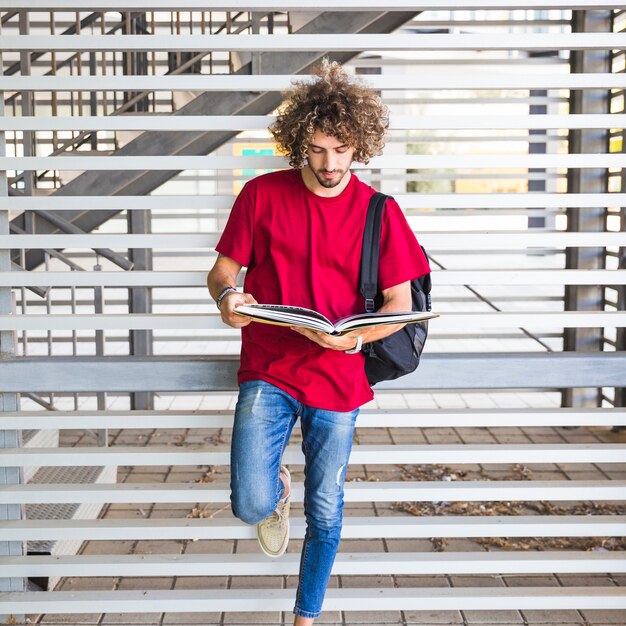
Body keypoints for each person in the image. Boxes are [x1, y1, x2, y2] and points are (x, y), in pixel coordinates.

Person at [207, 59, 430, 625]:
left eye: (342, 150)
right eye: (319, 149)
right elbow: (223, 271)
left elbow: (400, 307)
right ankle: (274, 491)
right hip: (270, 364)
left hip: (339, 377)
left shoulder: (381, 212)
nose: (330, 164)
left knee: (327, 510)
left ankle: (307, 616)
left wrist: (356, 341)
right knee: (249, 503)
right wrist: (228, 299)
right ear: (299, 141)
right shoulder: (261, 196)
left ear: (360, 146)